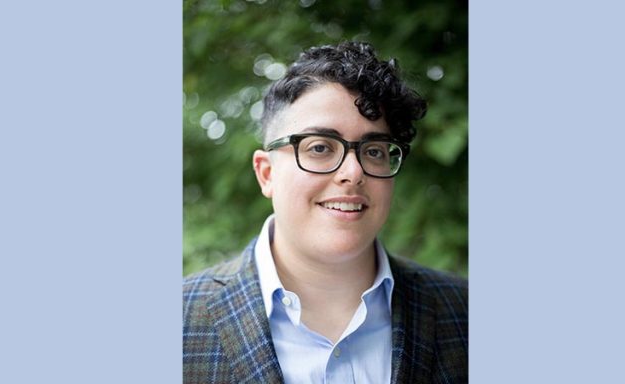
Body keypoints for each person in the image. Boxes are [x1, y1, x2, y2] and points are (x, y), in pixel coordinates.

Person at [183, 41, 467, 383]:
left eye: (374, 150)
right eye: (319, 147)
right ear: (266, 173)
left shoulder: (465, 311)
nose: (354, 171)